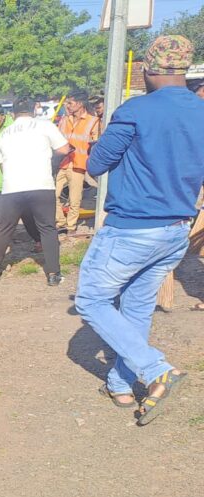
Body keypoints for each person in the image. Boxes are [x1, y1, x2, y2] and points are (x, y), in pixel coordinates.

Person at [75, 35, 204, 425]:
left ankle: (156, 368)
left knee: (91, 301)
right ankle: (120, 384)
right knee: (136, 307)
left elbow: (97, 164)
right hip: (176, 230)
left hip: (132, 228)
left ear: (148, 69)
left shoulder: (136, 110)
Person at [0, 98, 70, 285]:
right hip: (41, 184)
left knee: (5, 228)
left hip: (12, 187)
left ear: (13, 113)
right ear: (34, 109)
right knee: (47, 228)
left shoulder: (3, 134)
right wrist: (50, 164)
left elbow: (1, 166)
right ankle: (53, 274)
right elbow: (64, 149)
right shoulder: (45, 126)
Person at [0, 101, 41, 251]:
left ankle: (38, 239)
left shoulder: (15, 127)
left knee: (27, 214)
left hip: (17, 183)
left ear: (2, 116)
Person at [54, 91, 101, 234]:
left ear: (80, 104)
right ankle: (60, 221)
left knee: (74, 199)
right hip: (62, 163)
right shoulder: (64, 120)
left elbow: (95, 144)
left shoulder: (93, 121)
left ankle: (71, 226)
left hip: (78, 165)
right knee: (53, 194)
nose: (67, 106)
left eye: (70, 103)